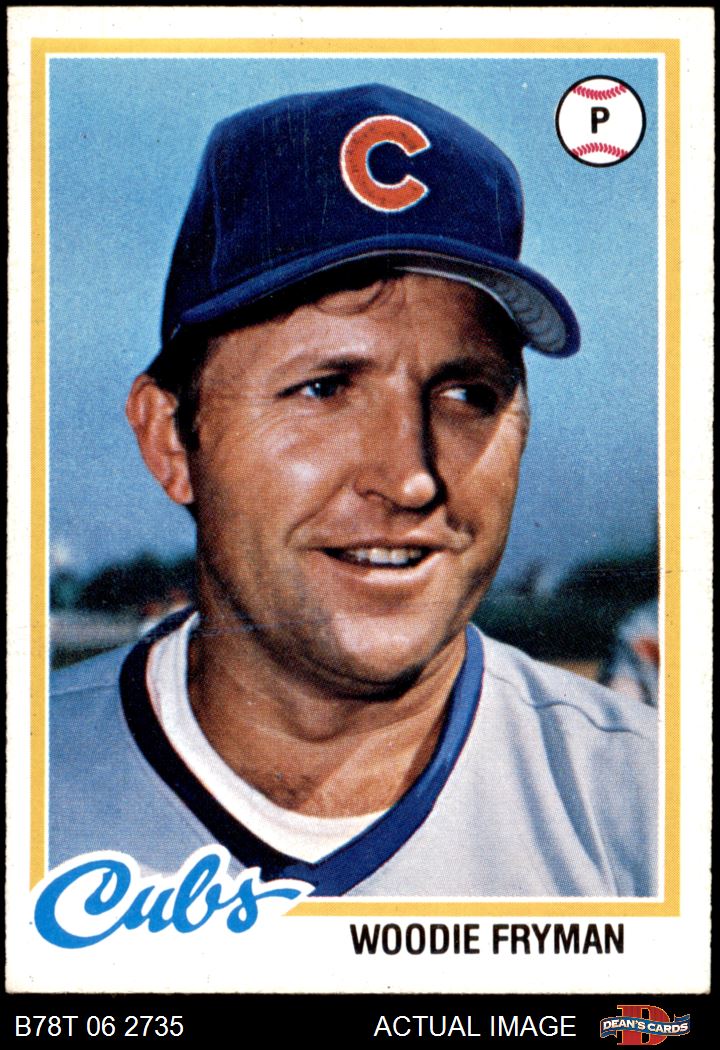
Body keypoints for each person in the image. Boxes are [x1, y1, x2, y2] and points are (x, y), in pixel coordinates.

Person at [50, 84, 657, 896]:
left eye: (467, 393)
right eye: (325, 388)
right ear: (171, 439)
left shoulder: (650, 806)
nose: (411, 477)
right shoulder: (33, 779)